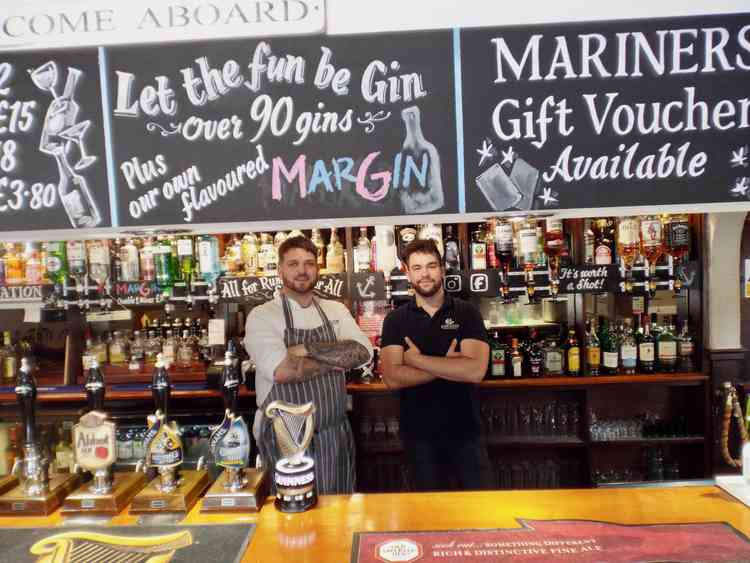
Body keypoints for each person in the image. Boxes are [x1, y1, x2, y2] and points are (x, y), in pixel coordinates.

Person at [244, 235, 373, 494]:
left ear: (317, 268)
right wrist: (336, 359)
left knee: (336, 517)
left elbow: (362, 352)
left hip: (332, 436)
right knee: (289, 520)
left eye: (309, 263)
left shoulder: (335, 309)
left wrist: (303, 350)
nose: (302, 271)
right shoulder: (262, 315)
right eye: (293, 264)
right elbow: (284, 371)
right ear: (280, 269)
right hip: (284, 440)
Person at [380, 238, 489, 491]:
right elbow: (392, 378)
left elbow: (475, 371)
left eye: (431, 266)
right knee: (427, 518)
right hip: (419, 437)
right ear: (407, 272)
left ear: (442, 268)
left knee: (476, 514)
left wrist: (417, 360)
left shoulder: (466, 312)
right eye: (417, 268)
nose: (425, 274)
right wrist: (449, 367)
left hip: (466, 433)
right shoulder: (396, 320)